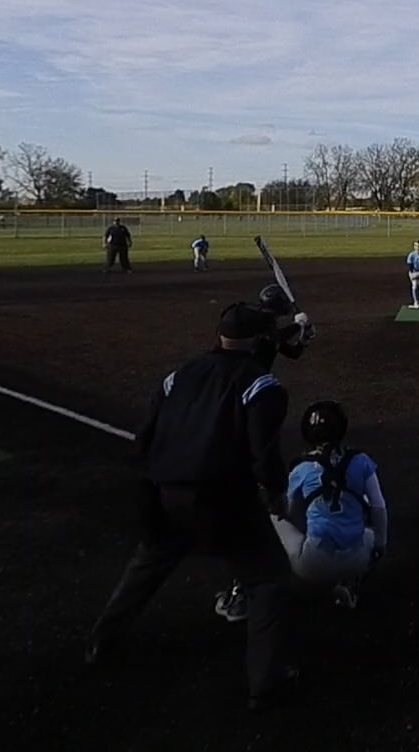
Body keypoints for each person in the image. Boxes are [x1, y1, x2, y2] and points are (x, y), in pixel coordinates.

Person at [86, 303, 297, 711]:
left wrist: (154, 486)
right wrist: (276, 492)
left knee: (149, 562)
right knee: (267, 578)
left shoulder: (178, 375)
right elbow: (263, 453)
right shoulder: (261, 385)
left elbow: (144, 437)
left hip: (163, 492)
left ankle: (101, 641)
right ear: (259, 340)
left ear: (220, 335)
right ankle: (265, 682)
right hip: (224, 498)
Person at [219, 400, 388, 618]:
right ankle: (351, 583)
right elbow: (379, 507)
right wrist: (380, 546)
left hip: (312, 564)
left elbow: (286, 511)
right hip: (358, 560)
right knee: (367, 516)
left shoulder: (303, 468)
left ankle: (240, 596)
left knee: (267, 520)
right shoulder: (362, 461)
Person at [252, 283, 314, 370]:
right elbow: (274, 337)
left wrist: (304, 337)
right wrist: (298, 325)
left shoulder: (270, 327)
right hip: (246, 374)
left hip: (257, 374)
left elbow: (293, 353)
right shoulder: (256, 323)